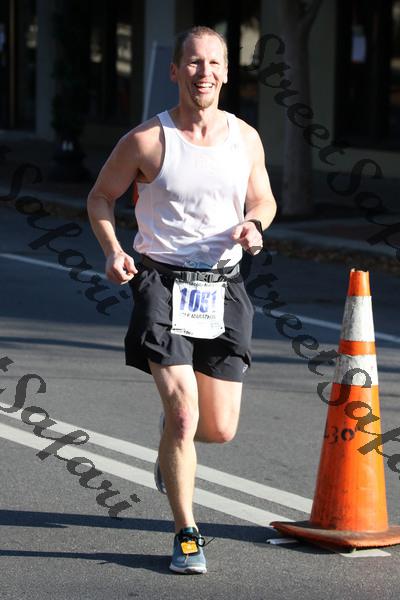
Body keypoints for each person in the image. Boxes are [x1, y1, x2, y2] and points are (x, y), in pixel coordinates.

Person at [87, 25, 277, 574]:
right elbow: (100, 197)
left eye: (214, 63)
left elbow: (263, 199)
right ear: (175, 71)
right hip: (163, 285)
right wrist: (113, 250)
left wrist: (254, 224)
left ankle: (170, 444)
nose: (204, 73)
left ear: (227, 72)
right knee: (184, 411)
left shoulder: (245, 138)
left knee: (217, 428)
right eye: (193, 62)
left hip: (224, 287)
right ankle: (186, 533)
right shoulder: (147, 140)